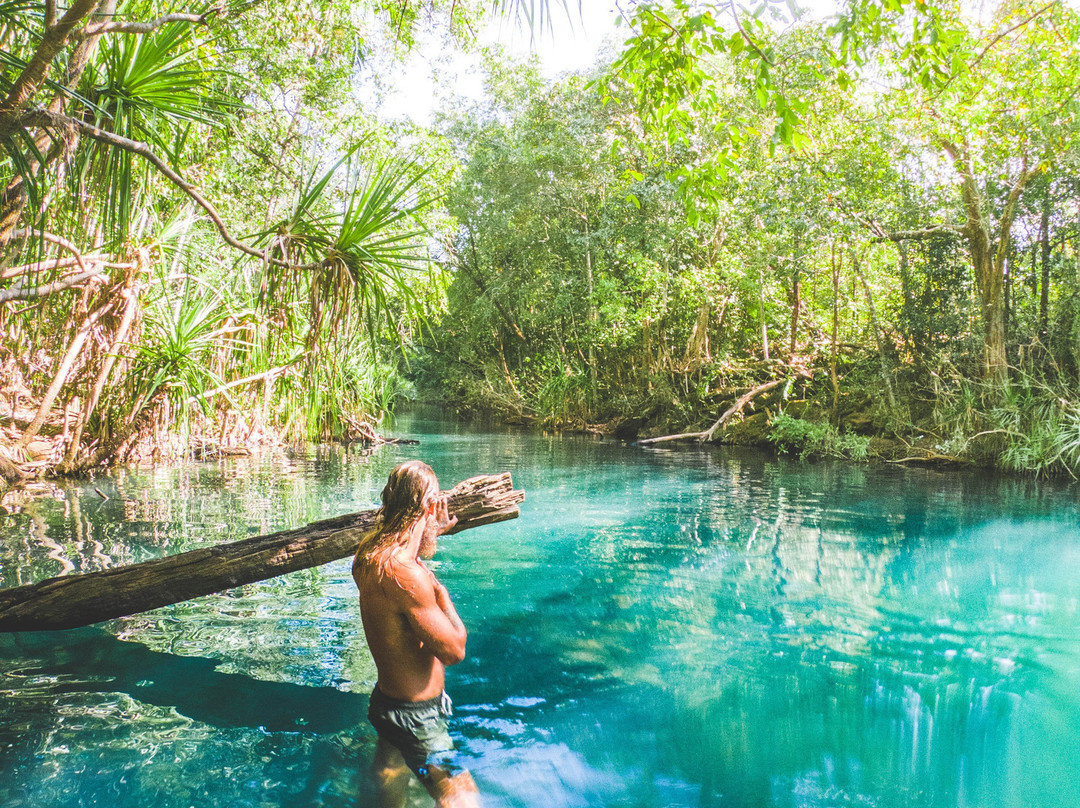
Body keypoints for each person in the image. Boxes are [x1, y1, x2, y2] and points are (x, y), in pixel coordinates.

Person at [352, 460, 480, 808]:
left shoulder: (368, 553)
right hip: (415, 716)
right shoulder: (408, 576)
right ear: (426, 506)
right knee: (463, 796)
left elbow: (408, 560)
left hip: (387, 703)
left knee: (390, 772)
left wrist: (432, 532)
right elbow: (454, 651)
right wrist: (444, 597)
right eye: (437, 501)